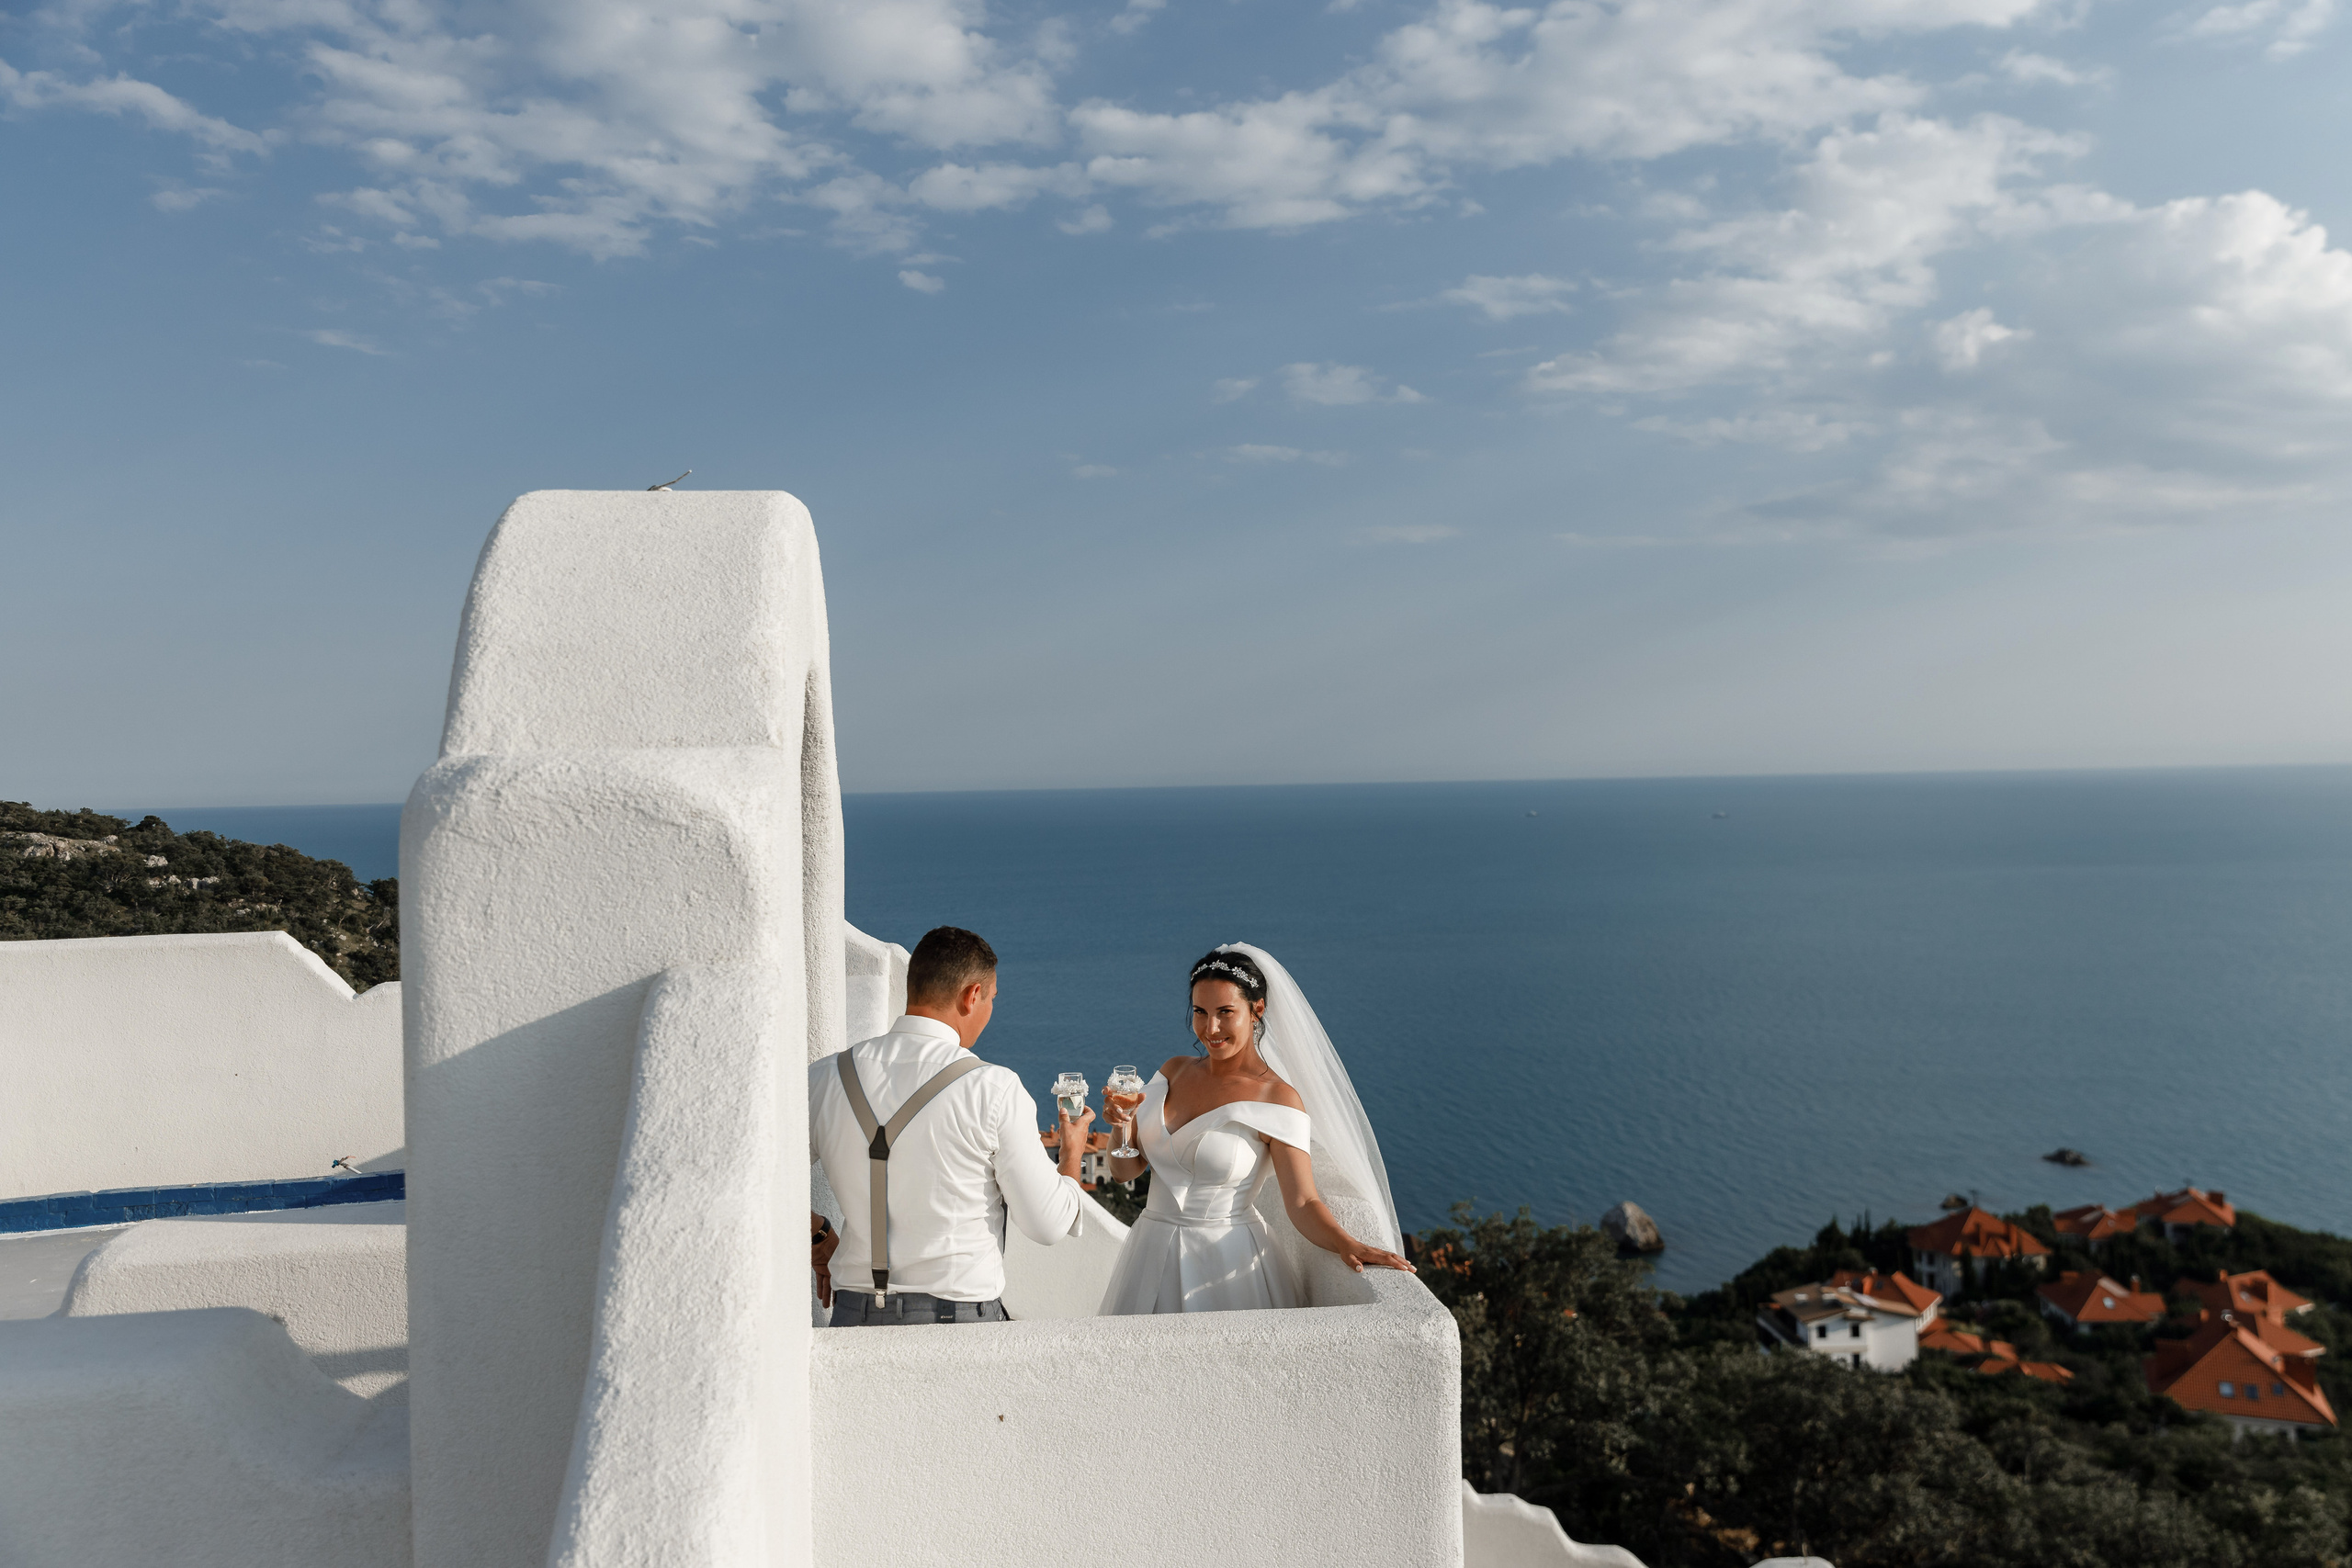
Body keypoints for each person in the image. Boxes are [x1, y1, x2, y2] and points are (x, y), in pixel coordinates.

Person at [1096, 943, 1412, 1315]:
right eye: (1200, 1012)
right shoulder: (1173, 1070)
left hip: (1224, 1265)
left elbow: (1303, 1202)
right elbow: (1123, 1172)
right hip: (1149, 1253)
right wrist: (1120, 1125)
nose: (1210, 1029)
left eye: (1225, 1013)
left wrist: (1346, 1242)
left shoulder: (1277, 1098)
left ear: (1256, 1010)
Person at [809, 925, 1094, 1325]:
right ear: (972, 995)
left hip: (852, 1318)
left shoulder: (825, 1077)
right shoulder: (993, 1086)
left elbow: (754, 1178)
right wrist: (1071, 1157)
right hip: (956, 1324)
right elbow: (1048, 1225)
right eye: (992, 999)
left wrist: (818, 1235)